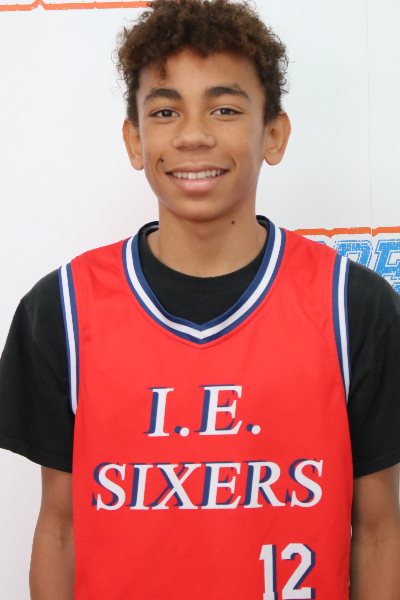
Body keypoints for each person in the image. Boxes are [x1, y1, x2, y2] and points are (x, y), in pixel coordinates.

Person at [0, 0, 400, 598]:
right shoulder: (61, 309)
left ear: (273, 134)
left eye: (225, 108)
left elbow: (377, 530)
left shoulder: (354, 307)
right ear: (135, 140)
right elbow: (60, 527)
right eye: (165, 111)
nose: (193, 135)